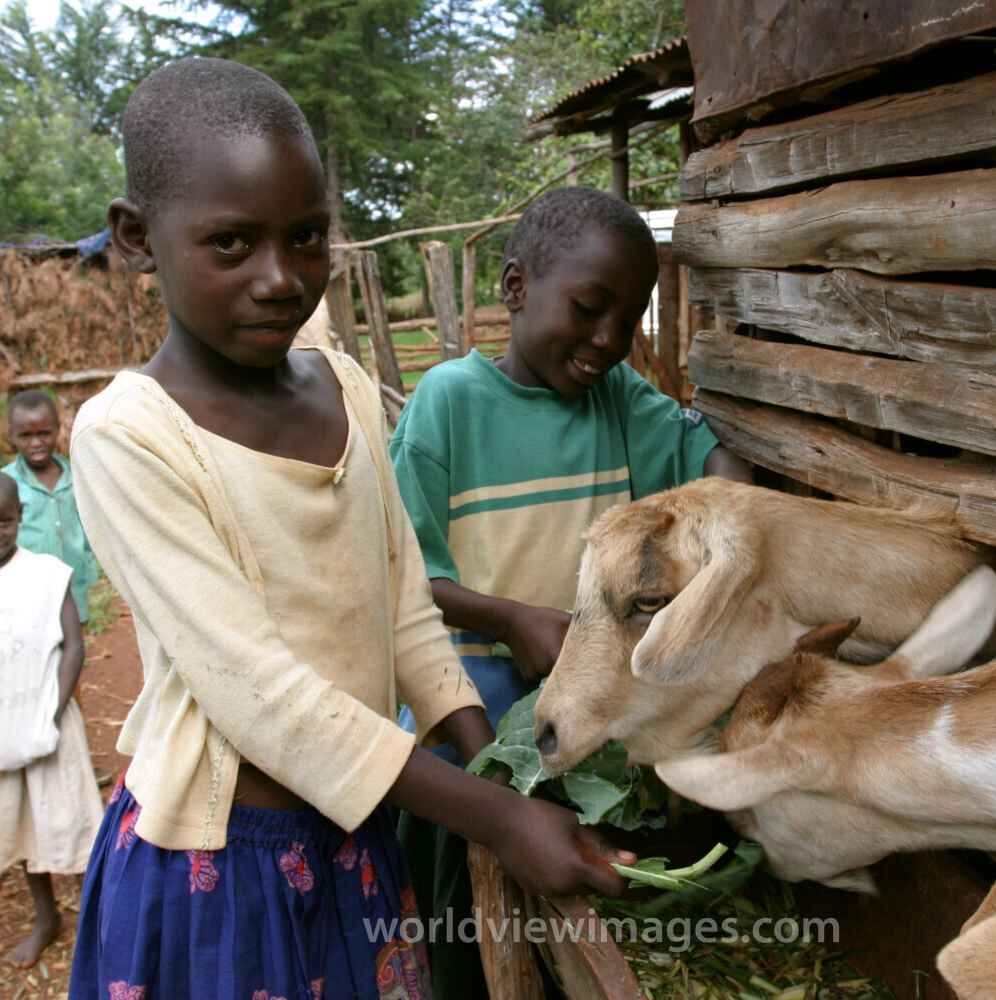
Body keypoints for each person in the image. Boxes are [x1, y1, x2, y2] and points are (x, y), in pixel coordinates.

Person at [67, 58, 634, 1000]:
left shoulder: (346, 391)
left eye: (306, 238)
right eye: (231, 243)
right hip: (222, 865)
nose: (280, 278)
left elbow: (405, 613)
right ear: (137, 238)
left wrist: (499, 769)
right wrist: (492, 816)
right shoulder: (130, 439)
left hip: (356, 833)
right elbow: (263, 701)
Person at [388, 184, 752, 996]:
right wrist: (507, 618)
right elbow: (405, 572)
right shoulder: (449, 403)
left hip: (586, 727)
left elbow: (707, 462)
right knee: (460, 927)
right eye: (589, 309)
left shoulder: (618, 402)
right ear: (516, 288)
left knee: (567, 904)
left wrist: (738, 515)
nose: (609, 340)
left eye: (628, 321)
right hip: (471, 724)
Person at [0, 471, 103, 968]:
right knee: (19, 823)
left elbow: (74, 647)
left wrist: (49, 715)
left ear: (19, 516)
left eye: (3, 522)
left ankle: (97, 919)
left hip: (48, 725)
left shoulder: (48, 575)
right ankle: (47, 916)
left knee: (70, 815)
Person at [1, 389, 99, 626]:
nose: (36, 443)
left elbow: (89, 528)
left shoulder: (77, 476)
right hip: (25, 591)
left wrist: (89, 570)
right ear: (11, 434)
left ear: (57, 429)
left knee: (74, 641)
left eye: (44, 433)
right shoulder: (5, 483)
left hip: (73, 586)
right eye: (25, 436)